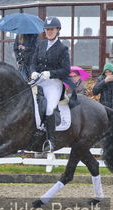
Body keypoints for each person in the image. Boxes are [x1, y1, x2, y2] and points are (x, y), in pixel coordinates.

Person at [30, 16, 73, 152]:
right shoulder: (40, 44)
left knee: (49, 108)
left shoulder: (62, 48)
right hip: (39, 80)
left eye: (52, 29)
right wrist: (33, 72)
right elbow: (33, 63)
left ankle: (50, 140)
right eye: (47, 29)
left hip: (54, 82)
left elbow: (66, 70)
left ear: (57, 30)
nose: (49, 32)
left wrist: (51, 73)